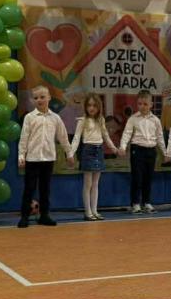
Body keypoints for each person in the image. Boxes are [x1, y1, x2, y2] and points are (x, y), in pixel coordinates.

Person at [18, 85, 70, 228]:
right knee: (29, 188)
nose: (39, 100)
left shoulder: (55, 118)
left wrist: (69, 153)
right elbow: (24, 138)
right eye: (36, 98)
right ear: (33, 100)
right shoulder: (29, 117)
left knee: (45, 189)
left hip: (48, 159)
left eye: (42, 97)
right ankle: (24, 216)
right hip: (32, 159)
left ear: (49, 98)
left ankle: (44, 215)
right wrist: (21, 155)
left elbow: (63, 137)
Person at [68, 93, 114, 220]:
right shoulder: (82, 121)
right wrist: (71, 153)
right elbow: (76, 138)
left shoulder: (101, 120)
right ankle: (87, 212)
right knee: (87, 183)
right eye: (89, 105)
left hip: (99, 150)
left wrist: (113, 148)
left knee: (95, 183)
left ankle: (94, 210)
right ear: (85, 107)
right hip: (88, 150)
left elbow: (106, 136)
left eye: (94, 105)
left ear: (99, 107)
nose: (92, 108)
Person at [119, 89, 165, 214]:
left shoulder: (155, 120)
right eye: (140, 104)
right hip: (137, 150)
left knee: (148, 178)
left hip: (151, 151)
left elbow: (160, 137)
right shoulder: (133, 119)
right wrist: (122, 146)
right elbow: (126, 134)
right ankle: (135, 203)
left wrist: (165, 152)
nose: (142, 106)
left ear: (151, 105)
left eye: (145, 104)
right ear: (137, 104)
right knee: (137, 177)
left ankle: (147, 202)